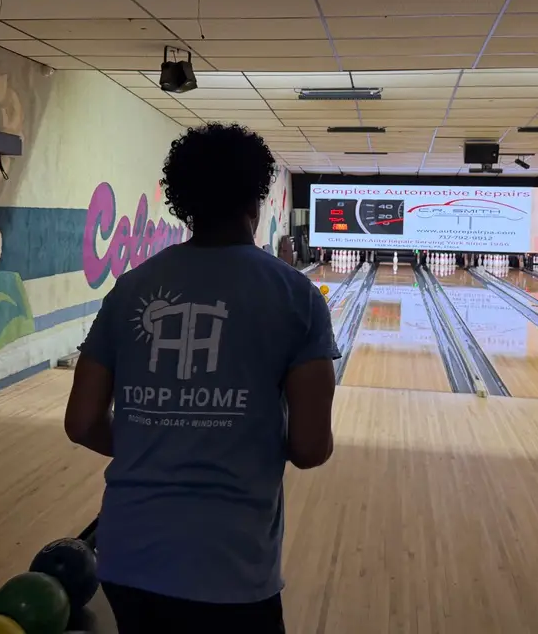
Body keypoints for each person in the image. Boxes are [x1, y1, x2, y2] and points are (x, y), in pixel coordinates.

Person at [64, 123, 339, 632]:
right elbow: (309, 447)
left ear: (184, 202)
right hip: (230, 566)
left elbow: (81, 423)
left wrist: (160, 437)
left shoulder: (130, 289)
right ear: (256, 199)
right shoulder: (296, 297)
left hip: (126, 557)